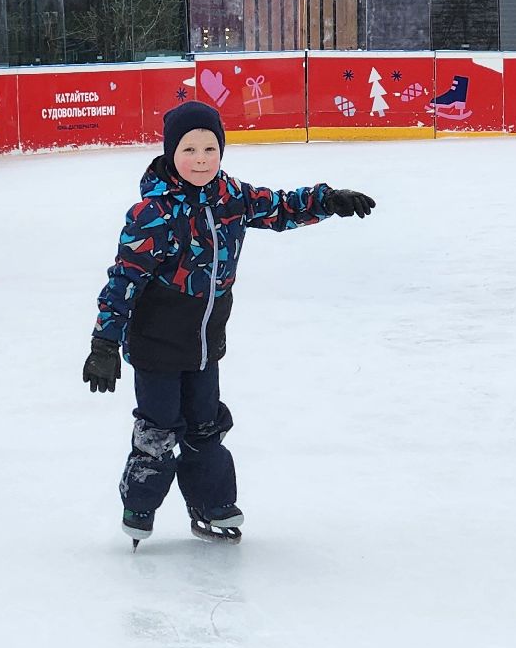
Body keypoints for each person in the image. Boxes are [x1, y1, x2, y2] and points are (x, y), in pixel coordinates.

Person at [83, 100, 376, 546]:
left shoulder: (232, 198)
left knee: (205, 425)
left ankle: (211, 504)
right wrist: (104, 343)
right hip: (157, 346)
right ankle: (139, 505)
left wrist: (328, 200)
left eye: (209, 149)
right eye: (189, 150)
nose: (200, 160)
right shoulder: (153, 214)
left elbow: (279, 207)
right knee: (158, 430)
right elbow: (124, 279)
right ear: (169, 154)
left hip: (205, 345)